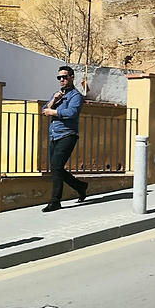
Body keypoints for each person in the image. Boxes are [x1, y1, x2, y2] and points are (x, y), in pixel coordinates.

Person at [41, 65, 88, 212]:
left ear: (72, 77)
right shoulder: (58, 95)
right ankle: (80, 186)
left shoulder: (76, 96)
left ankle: (55, 201)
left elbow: (71, 112)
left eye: (65, 77)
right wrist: (53, 100)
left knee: (56, 167)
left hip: (68, 135)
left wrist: (53, 112)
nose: (62, 80)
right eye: (59, 77)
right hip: (54, 135)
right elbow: (44, 110)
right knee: (56, 168)